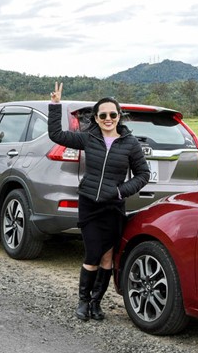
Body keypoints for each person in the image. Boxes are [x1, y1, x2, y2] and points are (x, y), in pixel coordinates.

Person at [47, 82, 150, 321]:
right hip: (90, 205)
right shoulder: (88, 138)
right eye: (103, 115)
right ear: (96, 117)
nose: (108, 118)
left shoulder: (130, 144)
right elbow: (56, 135)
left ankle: (96, 303)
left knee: (107, 257)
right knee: (93, 254)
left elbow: (143, 174)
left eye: (112, 114)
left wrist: (120, 192)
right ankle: (83, 302)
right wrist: (55, 105)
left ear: (118, 116)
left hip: (113, 207)